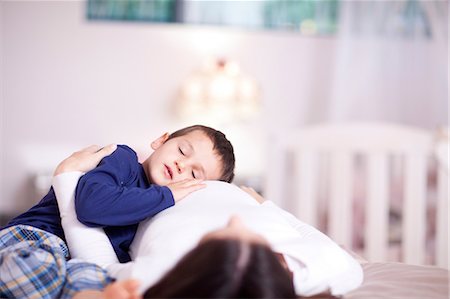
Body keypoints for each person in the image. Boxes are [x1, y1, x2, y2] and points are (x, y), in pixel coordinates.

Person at [52, 151, 363, 298]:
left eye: (220, 234)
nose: (236, 218)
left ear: (196, 260)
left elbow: (96, 262)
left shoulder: (156, 276)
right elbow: (314, 238)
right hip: (238, 194)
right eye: (263, 244)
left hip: (151, 197)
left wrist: (66, 178)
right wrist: (267, 207)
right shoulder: (323, 269)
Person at [0, 125, 236, 299]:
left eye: (194, 174)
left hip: (76, 263)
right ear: (161, 140)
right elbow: (90, 206)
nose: (181, 165)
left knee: (98, 286)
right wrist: (168, 195)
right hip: (39, 238)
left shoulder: (161, 213)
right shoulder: (123, 159)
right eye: (182, 151)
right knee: (32, 268)